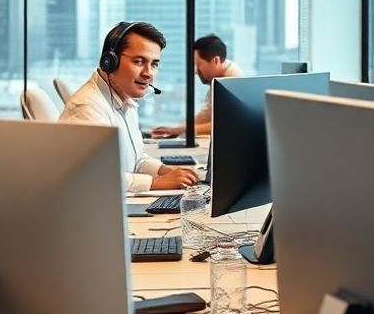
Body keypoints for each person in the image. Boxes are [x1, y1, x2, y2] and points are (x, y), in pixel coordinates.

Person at [59, 21, 200, 193]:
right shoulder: (87, 108)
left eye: (154, 64)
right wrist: (157, 183)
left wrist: (165, 171)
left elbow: (136, 160)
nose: (148, 73)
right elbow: (95, 177)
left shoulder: (125, 98)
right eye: (139, 61)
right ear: (110, 62)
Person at [151, 33, 244, 138]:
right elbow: (206, 114)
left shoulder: (232, 82)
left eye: (198, 64)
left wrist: (180, 130)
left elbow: (223, 125)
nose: (195, 71)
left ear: (216, 61)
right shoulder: (219, 78)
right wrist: (175, 129)